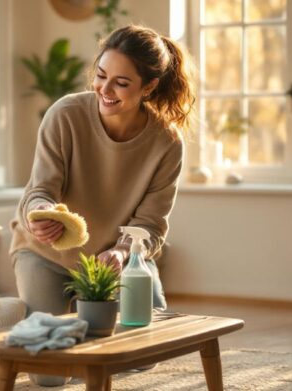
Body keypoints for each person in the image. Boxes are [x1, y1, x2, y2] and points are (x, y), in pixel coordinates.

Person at [11, 24, 197, 318]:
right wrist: (40, 214)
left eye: (121, 83)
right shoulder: (65, 115)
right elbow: (40, 190)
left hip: (119, 258)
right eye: (100, 75)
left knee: (145, 345)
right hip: (48, 255)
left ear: (148, 87)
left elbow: (150, 224)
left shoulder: (166, 141)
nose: (105, 90)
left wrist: (123, 252)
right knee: (46, 344)